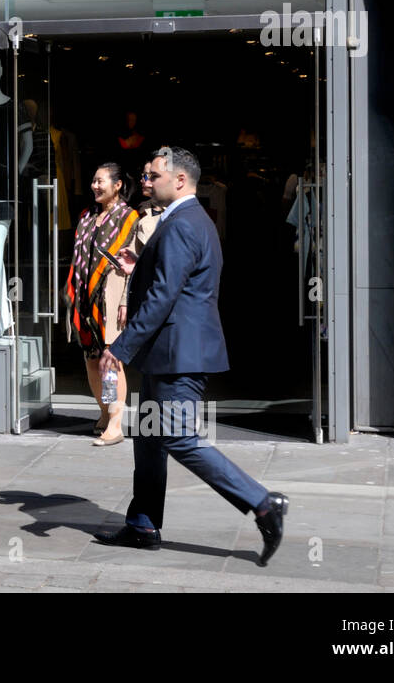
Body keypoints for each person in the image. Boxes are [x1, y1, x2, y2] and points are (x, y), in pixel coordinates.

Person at [98, 146, 289, 565]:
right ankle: (143, 524)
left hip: (179, 355)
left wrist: (120, 347)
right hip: (165, 354)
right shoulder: (180, 220)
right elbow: (173, 281)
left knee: (179, 438)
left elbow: (166, 295)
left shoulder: (184, 223)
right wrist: (139, 267)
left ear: (179, 180)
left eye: (153, 176)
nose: (146, 181)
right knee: (148, 438)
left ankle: (262, 503)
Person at [65, 163, 138, 445]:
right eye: (93, 181)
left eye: (101, 181)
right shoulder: (87, 215)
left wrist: (124, 301)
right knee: (92, 360)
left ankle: (116, 423)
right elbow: (77, 257)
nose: (95, 186)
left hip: (111, 301)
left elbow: (132, 265)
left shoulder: (129, 217)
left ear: (117, 185)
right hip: (85, 300)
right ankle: (105, 412)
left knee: (110, 362)